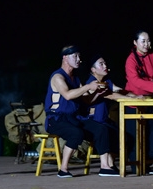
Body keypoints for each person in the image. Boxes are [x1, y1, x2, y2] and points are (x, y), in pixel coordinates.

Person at [44, 45, 119, 178]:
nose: (79, 59)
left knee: (101, 129)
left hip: (74, 118)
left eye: (79, 56)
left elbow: (86, 101)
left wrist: (97, 93)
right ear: (65, 58)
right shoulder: (58, 77)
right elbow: (67, 95)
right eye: (75, 56)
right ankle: (63, 169)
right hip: (56, 120)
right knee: (76, 133)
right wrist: (88, 86)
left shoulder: (76, 79)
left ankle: (105, 167)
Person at [85, 54, 141, 169]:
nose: (105, 66)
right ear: (93, 70)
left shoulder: (107, 81)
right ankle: (108, 164)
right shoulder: (92, 83)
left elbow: (120, 90)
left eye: (105, 63)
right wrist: (132, 99)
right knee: (109, 132)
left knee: (125, 136)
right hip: (92, 120)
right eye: (101, 64)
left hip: (104, 120)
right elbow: (111, 95)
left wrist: (135, 95)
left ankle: (111, 163)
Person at [124, 30, 153, 174]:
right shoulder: (131, 59)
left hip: (150, 99)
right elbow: (134, 80)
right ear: (135, 43)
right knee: (135, 134)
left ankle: (150, 163)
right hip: (135, 100)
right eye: (143, 41)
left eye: (148, 41)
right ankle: (136, 165)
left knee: (151, 132)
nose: (146, 44)